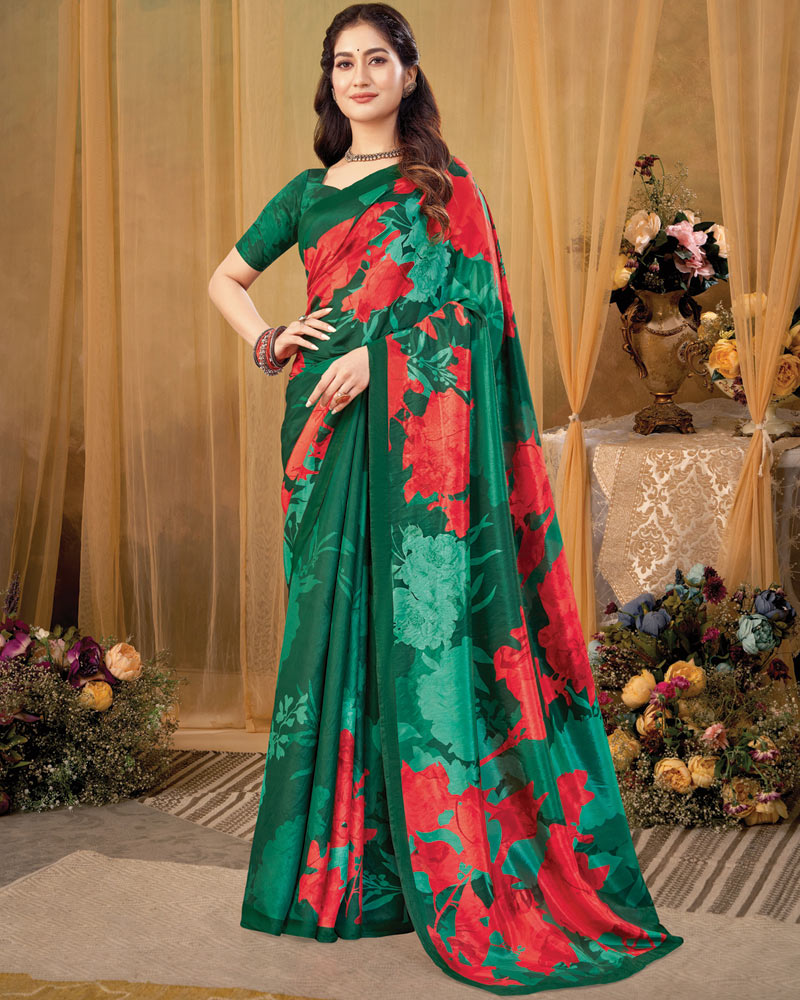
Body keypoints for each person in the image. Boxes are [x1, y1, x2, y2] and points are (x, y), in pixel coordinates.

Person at [208, 2, 684, 993]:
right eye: (344, 63)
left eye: (376, 60)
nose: (359, 77)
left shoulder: (443, 189)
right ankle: (343, 870)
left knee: (417, 634)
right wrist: (271, 339)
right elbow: (226, 278)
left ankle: (436, 857)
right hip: (325, 434)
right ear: (330, 81)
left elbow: (478, 320)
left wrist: (383, 361)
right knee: (332, 631)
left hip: (414, 441)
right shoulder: (306, 192)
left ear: (408, 74)